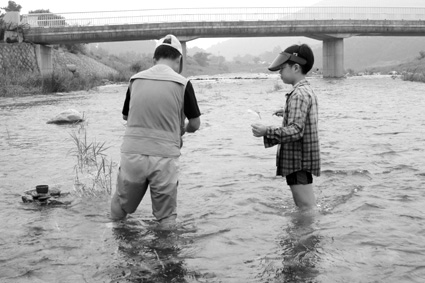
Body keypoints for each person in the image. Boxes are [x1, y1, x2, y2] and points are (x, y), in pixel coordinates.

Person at [111, 34, 201, 226]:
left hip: (132, 154)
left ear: (154, 60)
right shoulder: (183, 83)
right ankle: (165, 254)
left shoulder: (135, 80)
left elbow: (126, 116)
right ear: (179, 60)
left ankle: (115, 241)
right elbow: (195, 124)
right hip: (164, 158)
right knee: (166, 216)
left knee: (120, 203)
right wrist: (181, 129)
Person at [251, 44, 320, 211]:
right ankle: (306, 234)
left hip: (298, 161)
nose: (279, 73)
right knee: (306, 206)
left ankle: (307, 236)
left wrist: (267, 131)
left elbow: (296, 130)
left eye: (282, 68)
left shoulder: (298, 95)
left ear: (296, 67)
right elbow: (304, 119)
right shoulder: (305, 91)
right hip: (302, 159)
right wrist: (287, 112)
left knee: (306, 207)